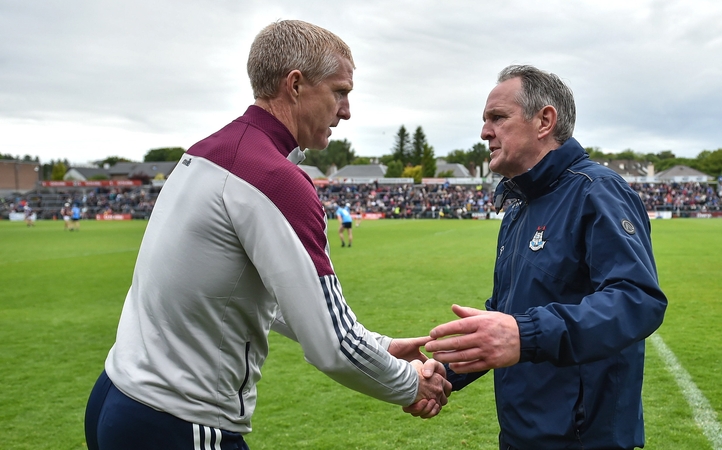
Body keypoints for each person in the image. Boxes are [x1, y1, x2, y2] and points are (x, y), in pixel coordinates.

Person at [84, 20, 450, 450]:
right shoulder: (275, 179)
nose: (346, 110)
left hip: (117, 396)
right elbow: (329, 345)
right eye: (340, 91)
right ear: (295, 85)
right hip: (181, 422)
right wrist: (412, 385)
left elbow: (249, 296)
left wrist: (381, 347)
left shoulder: (204, 152)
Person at [421, 65, 668, 449]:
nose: (485, 132)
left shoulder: (596, 192)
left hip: (583, 437)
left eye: (498, 118)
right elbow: (508, 313)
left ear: (544, 121)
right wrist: (448, 371)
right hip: (521, 434)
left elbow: (637, 300)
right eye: (485, 120)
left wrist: (526, 334)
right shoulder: (519, 204)